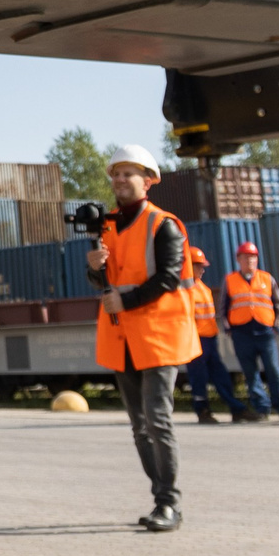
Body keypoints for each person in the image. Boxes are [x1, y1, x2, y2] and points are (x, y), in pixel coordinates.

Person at [86, 143, 200, 532]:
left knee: (157, 418)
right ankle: (159, 500)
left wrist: (127, 299)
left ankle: (170, 504)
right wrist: (94, 268)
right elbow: (107, 282)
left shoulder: (163, 224)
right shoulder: (108, 225)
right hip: (123, 337)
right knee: (139, 424)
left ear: (148, 181)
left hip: (159, 334)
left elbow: (168, 277)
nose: (119, 180)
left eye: (128, 174)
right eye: (116, 174)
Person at [221, 241, 279, 421]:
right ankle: (262, 408)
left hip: (265, 332)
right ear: (238, 259)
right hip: (241, 333)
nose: (250, 261)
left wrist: (278, 326)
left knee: (273, 370)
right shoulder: (230, 280)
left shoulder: (267, 279)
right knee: (250, 373)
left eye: (253, 257)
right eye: (246, 257)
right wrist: (228, 328)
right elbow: (223, 308)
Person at [179, 244, 240, 424]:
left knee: (221, 375)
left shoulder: (202, 288)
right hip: (195, 340)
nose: (203, 270)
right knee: (198, 377)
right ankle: (202, 410)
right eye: (199, 266)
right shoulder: (184, 289)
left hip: (209, 339)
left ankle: (236, 408)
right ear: (188, 265)